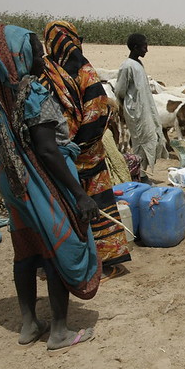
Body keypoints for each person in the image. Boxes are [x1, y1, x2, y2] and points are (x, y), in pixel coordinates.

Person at [0, 25, 99, 350]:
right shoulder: (32, 92)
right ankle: (59, 331)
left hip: (13, 181)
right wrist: (78, 194)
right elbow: (47, 150)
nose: (42, 57)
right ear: (17, 57)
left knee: (26, 250)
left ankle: (29, 324)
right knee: (57, 247)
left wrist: (11, 174)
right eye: (35, 51)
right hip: (44, 180)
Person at [43, 21, 131, 278]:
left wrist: (67, 148)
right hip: (81, 152)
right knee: (90, 206)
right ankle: (96, 263)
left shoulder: (47, 70)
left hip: (59, 154)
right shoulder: (82, 71)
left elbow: (94, 110)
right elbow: (97, 112)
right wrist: (79, 146)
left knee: (70, 206)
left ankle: (82, 264)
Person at [114, 33, 167, 183]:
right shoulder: (127, 66)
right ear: (136, 47)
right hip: (136, 111)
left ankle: (140, 173)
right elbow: (120, 91)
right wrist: (129, 107)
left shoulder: (138, 64)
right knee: (141, 142)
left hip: (144, 109)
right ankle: (139, 175)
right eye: (144, 47)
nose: (146, 50)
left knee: (151, 138)